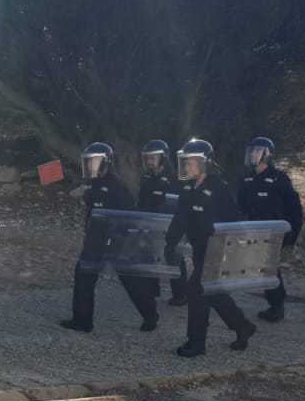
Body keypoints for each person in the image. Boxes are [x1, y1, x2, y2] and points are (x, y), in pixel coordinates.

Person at [164, 138, 255, 356]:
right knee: (212, 293)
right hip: (199, 249)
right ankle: (243, 326)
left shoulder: (219, 188)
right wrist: (170, 242)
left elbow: (234, 221)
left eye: (191, 162)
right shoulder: (187, 187)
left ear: (204, 163)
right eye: (185, 162)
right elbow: (180, 218)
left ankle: (196, 343)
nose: (186, 166)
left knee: (195, 291)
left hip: (217, 250)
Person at [60, 142, 160, 334]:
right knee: (83, 277)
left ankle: (150, 314)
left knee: (130, 280)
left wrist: (120, 242)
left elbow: (130, 217)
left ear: (106, 162)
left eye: (94, 162)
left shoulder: (117, 187)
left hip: (116, 242)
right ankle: (82, 321)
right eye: (88, 162)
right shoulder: (90, 186)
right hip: (94, 240)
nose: (90, 166)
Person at [236, 136, 303, 323]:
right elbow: (241, 205)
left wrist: (293, 235)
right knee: (263, 267)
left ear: (267, 155)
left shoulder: (279, 179)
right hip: (254, 231)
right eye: (251, 151)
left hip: (274, 232)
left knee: (268, 267)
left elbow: (294, 208)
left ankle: (277, 305)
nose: (252, 155)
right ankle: (275, 302)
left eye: (257, 151)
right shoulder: (246, 179)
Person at [137, 139, 187, 306]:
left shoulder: (173, 179)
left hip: (169, 226)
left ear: (163, 158)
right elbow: (142, 201)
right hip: (149, 224)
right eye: (147, 158)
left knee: (173, 258)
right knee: (150, 256)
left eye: (153, 158)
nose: (149, 161)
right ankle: (152, 290)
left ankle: (181, 294)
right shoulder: (145, 177)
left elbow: (177, 205)